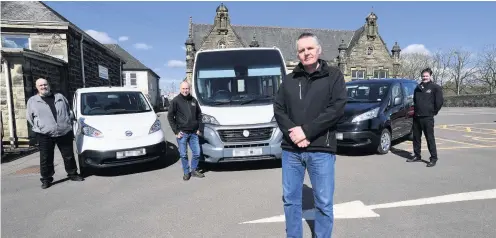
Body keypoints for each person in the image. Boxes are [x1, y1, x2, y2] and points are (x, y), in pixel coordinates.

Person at [273, 32, 347, 238]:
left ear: (319, 50)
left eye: (310, 48)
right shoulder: (289, 80)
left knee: (323, 202)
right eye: (302, 50)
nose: (306, 53)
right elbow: (279, 109)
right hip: (291, 151)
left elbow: (337, 109)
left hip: (321, 149)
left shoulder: (334, 76)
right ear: (297, 54)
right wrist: (295, 134)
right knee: (290, 200)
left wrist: (306, 131)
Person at [26, 78, 84, 189]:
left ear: (49, 85)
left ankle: (72, 174)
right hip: (44, 134)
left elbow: (68, 111)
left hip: (64, 131)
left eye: (45, 84)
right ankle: (46, 179)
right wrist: (40, 127)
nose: (44, 87)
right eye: (41, 85)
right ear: (37, 87)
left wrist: (67, 123)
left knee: (68, 156)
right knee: (46, 158)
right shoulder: (32, 101)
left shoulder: (60, 97)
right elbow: (30, 117)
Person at [167, 81, 205, 180]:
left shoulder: (193, 100)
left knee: (197, 153)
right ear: (180, 89)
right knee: (183, 155)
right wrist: (176, 131)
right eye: (183, 89)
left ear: (189, 89)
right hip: (182, 133)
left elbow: (200, 115)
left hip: (193, 133)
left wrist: (200, 129)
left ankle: (194, 170)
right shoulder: (176, 101)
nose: (185, 90)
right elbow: (170, 116)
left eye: (187, 88)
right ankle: (186, 172)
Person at [407, 68, 444, 167]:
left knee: (430, 138)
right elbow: (415, 101)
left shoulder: (435, 87)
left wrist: (433, 111)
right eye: (423, 76)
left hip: (427, 117)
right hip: (417, 117)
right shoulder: (418, 88)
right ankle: (417, 155)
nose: (425, 77)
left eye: (426, 76)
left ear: (430, 76)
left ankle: (433, 158)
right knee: (416, 138)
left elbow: (439, 102)